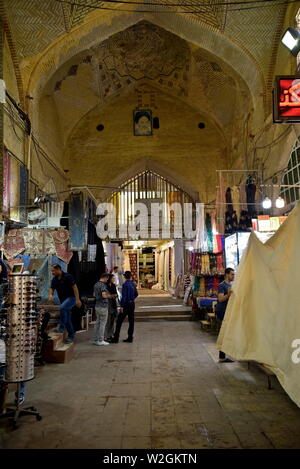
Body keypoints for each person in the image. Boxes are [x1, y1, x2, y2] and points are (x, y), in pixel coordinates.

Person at [49, 265, 81, 344]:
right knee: (68, 319)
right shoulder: (55, 279)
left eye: (53, 271)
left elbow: (75, 287)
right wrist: (50, 295)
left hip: (72, 298)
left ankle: (61, 327)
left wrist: (77, 299)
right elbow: (51, 288)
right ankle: (71, 336)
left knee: (62, 308)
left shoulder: (68, 276)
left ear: (58, 269)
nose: (52, 273)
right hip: (63, 300)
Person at [112, 271, 138, 344]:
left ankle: (116, 338)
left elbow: (124, 297)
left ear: (124, 277)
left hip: (126, 305)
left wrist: (122, 306)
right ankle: (130, 337)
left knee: (119, 321)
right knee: (131, 321)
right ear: (130, 277)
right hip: (132, 304)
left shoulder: (125, 285)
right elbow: (136, 294)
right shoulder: (133, 284)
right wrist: (132, 299)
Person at [216, 267, 235, 363]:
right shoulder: (222, 285)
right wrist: (228, 295)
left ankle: (224, 355)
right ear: (227, 274)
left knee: (226, 332)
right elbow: (220, 299)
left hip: (227, 311)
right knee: (223, 332)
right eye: (232, 274)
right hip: (221, 311)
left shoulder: (231, 285)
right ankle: (222, 357)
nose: (233, 276)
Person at [93, 273, 116, 346]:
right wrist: (110, 296)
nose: (107, 280)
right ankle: (101, 340)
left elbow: (94, 294)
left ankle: (96, 339)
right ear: (105, 278)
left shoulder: (96, 284)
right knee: (103, 324)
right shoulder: (103, 285)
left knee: (97, 323)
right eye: (107, 279)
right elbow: (104, 295)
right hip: (103, 306)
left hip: (97, 306)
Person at [104, 274, 119, 342]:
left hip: (113, 304)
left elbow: (115, 294)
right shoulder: (105, 285)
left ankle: (111, 334)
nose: (114, 279)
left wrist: (113, 295)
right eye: (113, 278)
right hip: (107, 305)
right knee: (108, 321)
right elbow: (106, 295)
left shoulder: (113, 285)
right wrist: (111, 295)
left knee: (112, 321)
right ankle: (106, 336)